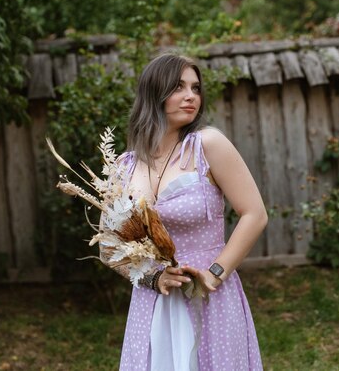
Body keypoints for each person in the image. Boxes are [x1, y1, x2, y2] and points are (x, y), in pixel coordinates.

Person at [103, 53, 267, 370]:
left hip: (209, 298)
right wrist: (152, 278)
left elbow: (255, 214)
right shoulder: (124, 165)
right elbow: (109, 245)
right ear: (154, 93)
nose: (191, 95)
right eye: (178, 87)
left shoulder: (207, 145)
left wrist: (215, 274)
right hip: (152, 304)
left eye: (195, 87)